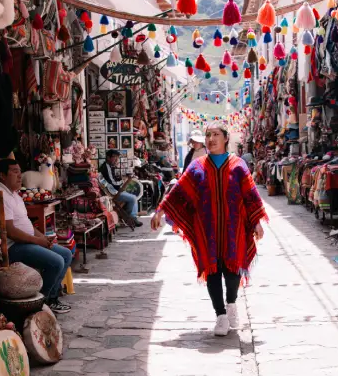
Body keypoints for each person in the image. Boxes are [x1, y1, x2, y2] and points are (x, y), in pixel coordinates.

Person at [151, 123, 267, 336]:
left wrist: (257, 221)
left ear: (225, 139)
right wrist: (160, 210)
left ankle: (231, 304)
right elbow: (179, 191)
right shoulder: (197, 166)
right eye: (208, 135)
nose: (211, 139)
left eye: (216, 135)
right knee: (212, 271)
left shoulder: (239, 165)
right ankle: (220, 316)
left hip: (235, 229)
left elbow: (250, 196)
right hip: (207, 229)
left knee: (233, 272)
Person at [0, 159, 73, 314]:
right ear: (2, 175)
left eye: (20, 171)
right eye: (14, 171)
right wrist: (38, 241)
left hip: (26, 242)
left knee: (66, 254)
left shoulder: (14, 194)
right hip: (13, 246)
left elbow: (27, 225)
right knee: (56, 261)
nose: (20, 176)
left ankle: (52, 298)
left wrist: (44, 238)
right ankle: (41, 302)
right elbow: (10, 232)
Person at [99, 150, 142, 227]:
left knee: (131, 196)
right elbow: (113, 183)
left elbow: (113, 181)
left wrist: (122, 179)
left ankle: (129, 216)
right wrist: (124, 180)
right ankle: (132, 217)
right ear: (108, 157)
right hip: (112, 194)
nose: (116, 160)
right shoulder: (106, 167)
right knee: (133, 198)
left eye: (117, 158)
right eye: (114, 158)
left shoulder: (109, 167)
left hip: (113, 191)